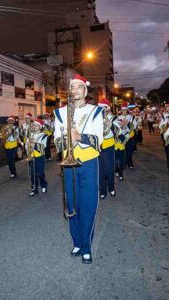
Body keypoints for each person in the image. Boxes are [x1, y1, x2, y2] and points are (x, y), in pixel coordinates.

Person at [54, 74, 103, 264]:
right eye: (72, 87)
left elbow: (98, 139)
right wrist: (65, 140)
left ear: (85, 91)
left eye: (79, 87)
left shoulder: (96, 111)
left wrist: (79, 136)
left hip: (89, 162)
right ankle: (76, 241)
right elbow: (57, 139)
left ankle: (87, 245)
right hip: (68, 163)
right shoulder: (60, 113)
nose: (75, 90)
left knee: (88, 203)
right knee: (71, 203)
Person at [98, 98, 116, 199]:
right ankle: (103, 190)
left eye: (104, 107)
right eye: (100, 108)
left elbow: (119, 131)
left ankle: (112, 188)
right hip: (99, 146)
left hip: (109, 145)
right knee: (101, 170)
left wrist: (112, 126)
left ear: (108, 108)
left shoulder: (113, 118)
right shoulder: (96, 119)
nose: (102, 109)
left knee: (109, 168)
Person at [26, 118, 48, 197]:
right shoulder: (30, 135)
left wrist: (34, 145)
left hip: (40, 157)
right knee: (33, 174)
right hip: (32, 156)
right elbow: (26, 146)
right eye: (33, 125)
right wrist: (27, 147)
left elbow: (43, 146)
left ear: (40, 127)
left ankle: (44, 185)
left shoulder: (44, 135)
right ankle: (34, 189)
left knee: (40, 173)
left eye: (36, 125)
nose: (34, 126)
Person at [114, 117, 130, 181]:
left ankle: (121, 174)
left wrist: (119, 137)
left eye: (125, 122)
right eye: (123, 122)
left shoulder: (127, 131)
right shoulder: (116, 130)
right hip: (115, 148)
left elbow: (125, 140)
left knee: (121, 162)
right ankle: (116, 170)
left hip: (122, 149)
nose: (124, 123)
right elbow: (114, 139)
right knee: (115, 162)